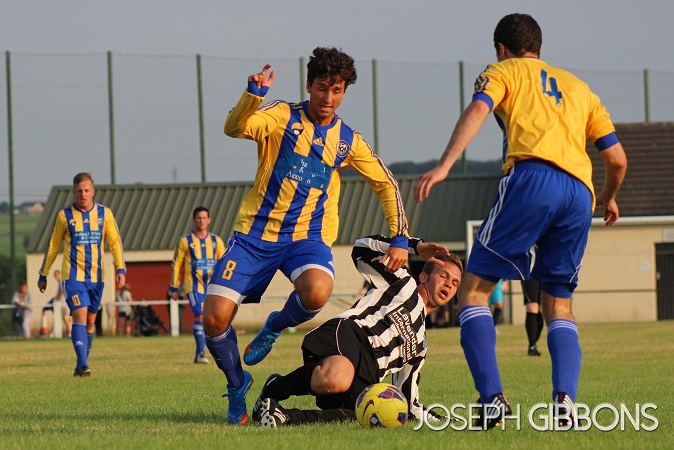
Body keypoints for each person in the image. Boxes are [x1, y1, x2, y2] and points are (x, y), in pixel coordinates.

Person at [413, 13, 627, 429]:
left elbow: (479, 108)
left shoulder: (503, 71)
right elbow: (617, 159)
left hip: (533, 178)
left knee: (473, 292)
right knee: (558, 303)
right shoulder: (580, 88)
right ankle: (565, 402)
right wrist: (608, 196)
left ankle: (492, 400)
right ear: (540, 48)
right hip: (580, 194)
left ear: (501, 49)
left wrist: (445, 165)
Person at [203, 47, 410, 425]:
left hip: (306, 238)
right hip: (254, 235)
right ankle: (237, 384)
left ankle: (274, 326)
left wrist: (400, 236)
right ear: (309, 85)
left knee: (317, 291)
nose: (328, 98)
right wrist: (253, 96)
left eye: (337, 90)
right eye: (322, 88)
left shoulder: (347, 140)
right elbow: (234, 128)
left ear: (344, 92)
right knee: (214, 318)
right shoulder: (280, 116)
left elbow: (385, 182)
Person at [250, 234, 463, 428]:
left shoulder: (420, 345)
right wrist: (413, 246)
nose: (449, 284)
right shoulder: (403, 283)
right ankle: (275, 388)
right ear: (424, 277)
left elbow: (410, 404)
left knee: (364, 414)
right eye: (443, 276)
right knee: (336, 379)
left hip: (369, 373)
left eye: (455, 283)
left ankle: (283, 416)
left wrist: (448, 422)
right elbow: (361, 248)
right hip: (351, 333)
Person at [38, 172, 126, 377]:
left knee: (91, 321)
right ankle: (84, 363)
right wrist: (44, 273)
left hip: (97, 278)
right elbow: (53, 246)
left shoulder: (105, 214)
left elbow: (115, 243)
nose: (83, 194)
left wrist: (120, 268)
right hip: (73, 278)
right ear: (74, 192)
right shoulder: (64, 216)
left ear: (93, 192)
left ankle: (80, 365)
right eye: (79, 191)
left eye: (86, 190)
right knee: (79, 314)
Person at [169, 206, 225, 363]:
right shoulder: (185, 241)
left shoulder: (216, 241)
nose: (201, 221)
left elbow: (223, 262)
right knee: (200, 315)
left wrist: (219, 275)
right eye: (199, 218)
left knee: (213, 319)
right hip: (193, 286)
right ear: (194, 220)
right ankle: (201, 354)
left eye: (204, 218)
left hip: (212, 287)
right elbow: (176, 264)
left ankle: (203, 353)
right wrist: (173, 286)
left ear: (209, 220)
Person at [522, 278, 544, 356]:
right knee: (532, 307)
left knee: (541, 309)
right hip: (530, 275)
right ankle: (532, 346)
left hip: (544, 275)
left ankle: (534, 345)